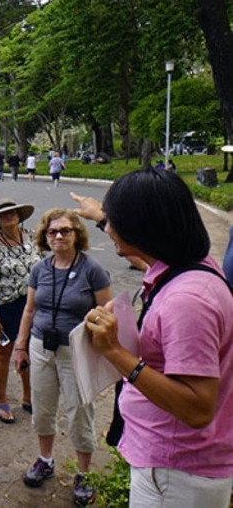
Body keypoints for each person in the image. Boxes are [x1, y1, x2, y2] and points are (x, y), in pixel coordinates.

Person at [77, 168, 233, 507]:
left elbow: (197, 407)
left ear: (141, 228)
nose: (109, 230)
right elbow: (142, 258)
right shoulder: (192, 266)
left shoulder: (186, 301)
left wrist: (115, 352)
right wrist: (101, 216)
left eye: (114, 221)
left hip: (176, 472)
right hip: (178, 465)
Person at [13, 208, 111, 505]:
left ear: (76, 234)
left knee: (80, 411)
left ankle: (84, 474)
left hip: (76, 351)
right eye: (52, 232)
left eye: (65, 231)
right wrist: (20, 345)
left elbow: (107, 314)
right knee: (42, 408)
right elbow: (30, 310)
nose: (58, 236)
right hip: (41, 347)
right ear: (45, 236)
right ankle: (45, 459)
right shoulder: (40, 269)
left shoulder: (92, 270)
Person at [0, 198, 40, 424]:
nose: (9, 217)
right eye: (4, 215)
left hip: (33, 305)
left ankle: (28, 396)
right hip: (6, 307)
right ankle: (2, 400)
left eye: (12, 213)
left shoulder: (33, 237)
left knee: (30, 351)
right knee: (4, 353)